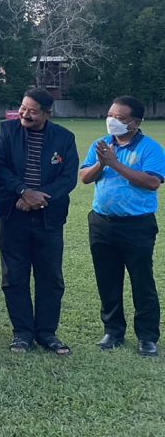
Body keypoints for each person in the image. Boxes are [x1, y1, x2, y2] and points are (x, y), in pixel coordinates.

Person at [0, 87, 78, 356]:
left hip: (48, 218)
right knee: (14, 276)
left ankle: (46, 333)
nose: (24, 114)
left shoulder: (64, 137)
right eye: (22, 108)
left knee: (50, 277)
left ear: (47, 113)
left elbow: (68, 178)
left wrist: (39, 198)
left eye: (32, 111)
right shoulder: (6, 130)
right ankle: (22, 333)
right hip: (12, 214)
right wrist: (23, 191)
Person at [80, 95, 163, 357]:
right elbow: (84, 177)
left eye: (120, 118)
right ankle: (113, 331)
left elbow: (152, 182)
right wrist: (101, 163)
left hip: (137, 225)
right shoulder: (101, 145)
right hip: (102, 222)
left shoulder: (150, 148)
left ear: (135, 122)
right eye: (110, 115)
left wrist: (115, 163)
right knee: (107, 279)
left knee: (142, 280)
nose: (112, 121)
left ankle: (147, 336)